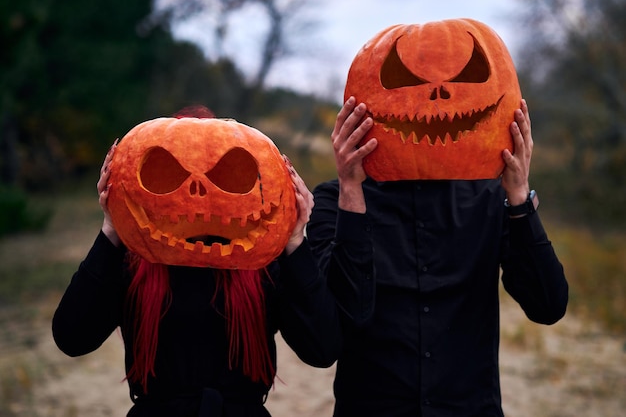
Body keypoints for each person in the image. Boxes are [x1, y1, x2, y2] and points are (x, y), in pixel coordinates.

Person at [52, 118, 341, 417]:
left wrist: (295, 242)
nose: (197, 192)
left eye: (223, 172)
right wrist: (112, 229)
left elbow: (321, 349)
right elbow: (72, 338)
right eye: (168, 172)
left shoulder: (263, 263)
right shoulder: (133, 260)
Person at [307, 96, 569, 417]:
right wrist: (351, 190)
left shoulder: (489, 194)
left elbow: (547, 306)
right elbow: (335, 326)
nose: (431, 100)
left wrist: (518, 198)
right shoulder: (335, 199)